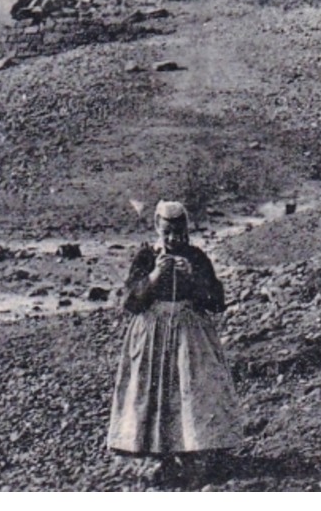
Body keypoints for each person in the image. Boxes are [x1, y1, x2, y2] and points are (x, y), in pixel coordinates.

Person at [108, 200, 243, 482]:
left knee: (194, 388)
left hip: (190, 333)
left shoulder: (196, 257)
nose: (173, 239)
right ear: (157, 228)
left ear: (186, 230)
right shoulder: (146, 257)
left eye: (179, 233)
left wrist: (193, 278)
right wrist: (154, 277)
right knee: (153, 391)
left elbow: (216, 301)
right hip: (152, 333)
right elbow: (130, 302)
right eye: (167, 233)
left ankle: (197, 450)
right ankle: (159, 454)